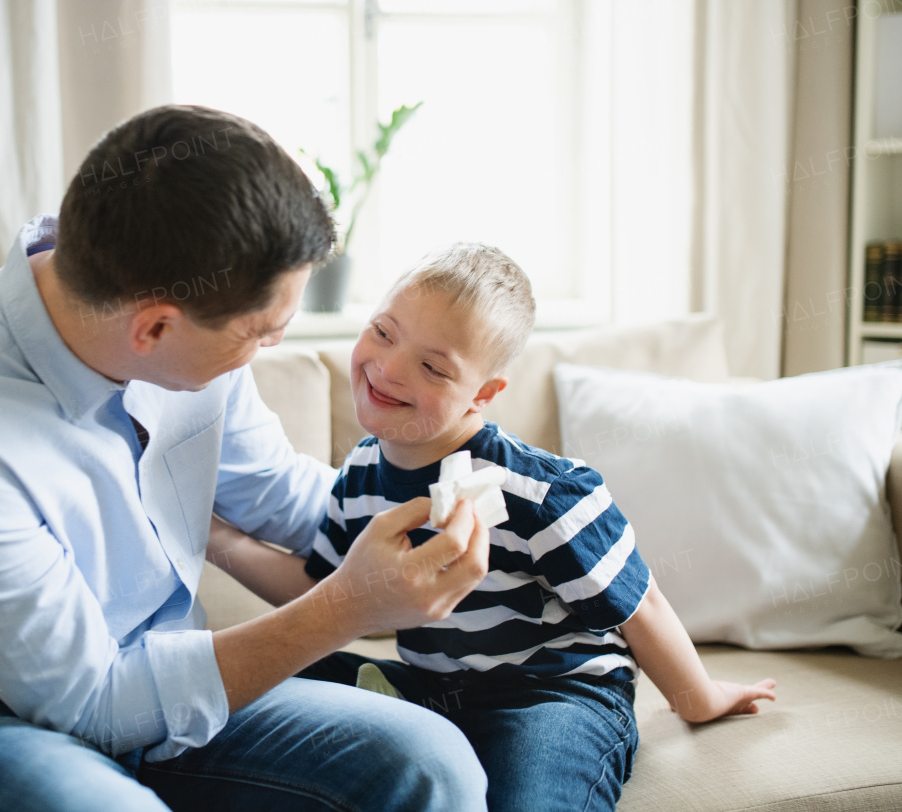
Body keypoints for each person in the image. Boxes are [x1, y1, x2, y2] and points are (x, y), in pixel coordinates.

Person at [0, 106, 493, 811]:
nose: (271, 347)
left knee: (432, 763)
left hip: (166, 672)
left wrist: (470, 503)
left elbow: (288, 498)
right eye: (262, 333)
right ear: (155, 325)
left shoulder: (182, 302)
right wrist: (347, 606)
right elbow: (93, 703)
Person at [206, 243, 778, 811]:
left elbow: (641, 603)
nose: (388, 367)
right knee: (265, 679)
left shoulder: (542, 492)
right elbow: (322, 592)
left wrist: (697, 699)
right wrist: (217, 538)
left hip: (553, 697)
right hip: (431, 691)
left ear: (482, 394)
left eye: (432, 367)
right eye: (383, 332)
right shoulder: (359, 476)